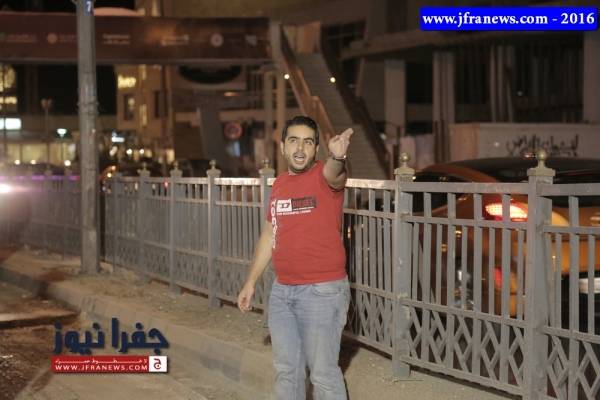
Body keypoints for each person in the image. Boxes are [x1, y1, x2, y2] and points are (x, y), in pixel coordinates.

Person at [237, 115, 353, 400]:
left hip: (321, 291)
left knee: (323, 375)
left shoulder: (324, 176)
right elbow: (269, 234)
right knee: (287, 372)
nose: (300, 148)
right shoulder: (280, 183)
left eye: (308, 142)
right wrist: (251, 281)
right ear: (282, 146)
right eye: (294, 141)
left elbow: (336, 174)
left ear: (316, 149)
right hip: (283, 291)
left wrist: (338, 157)